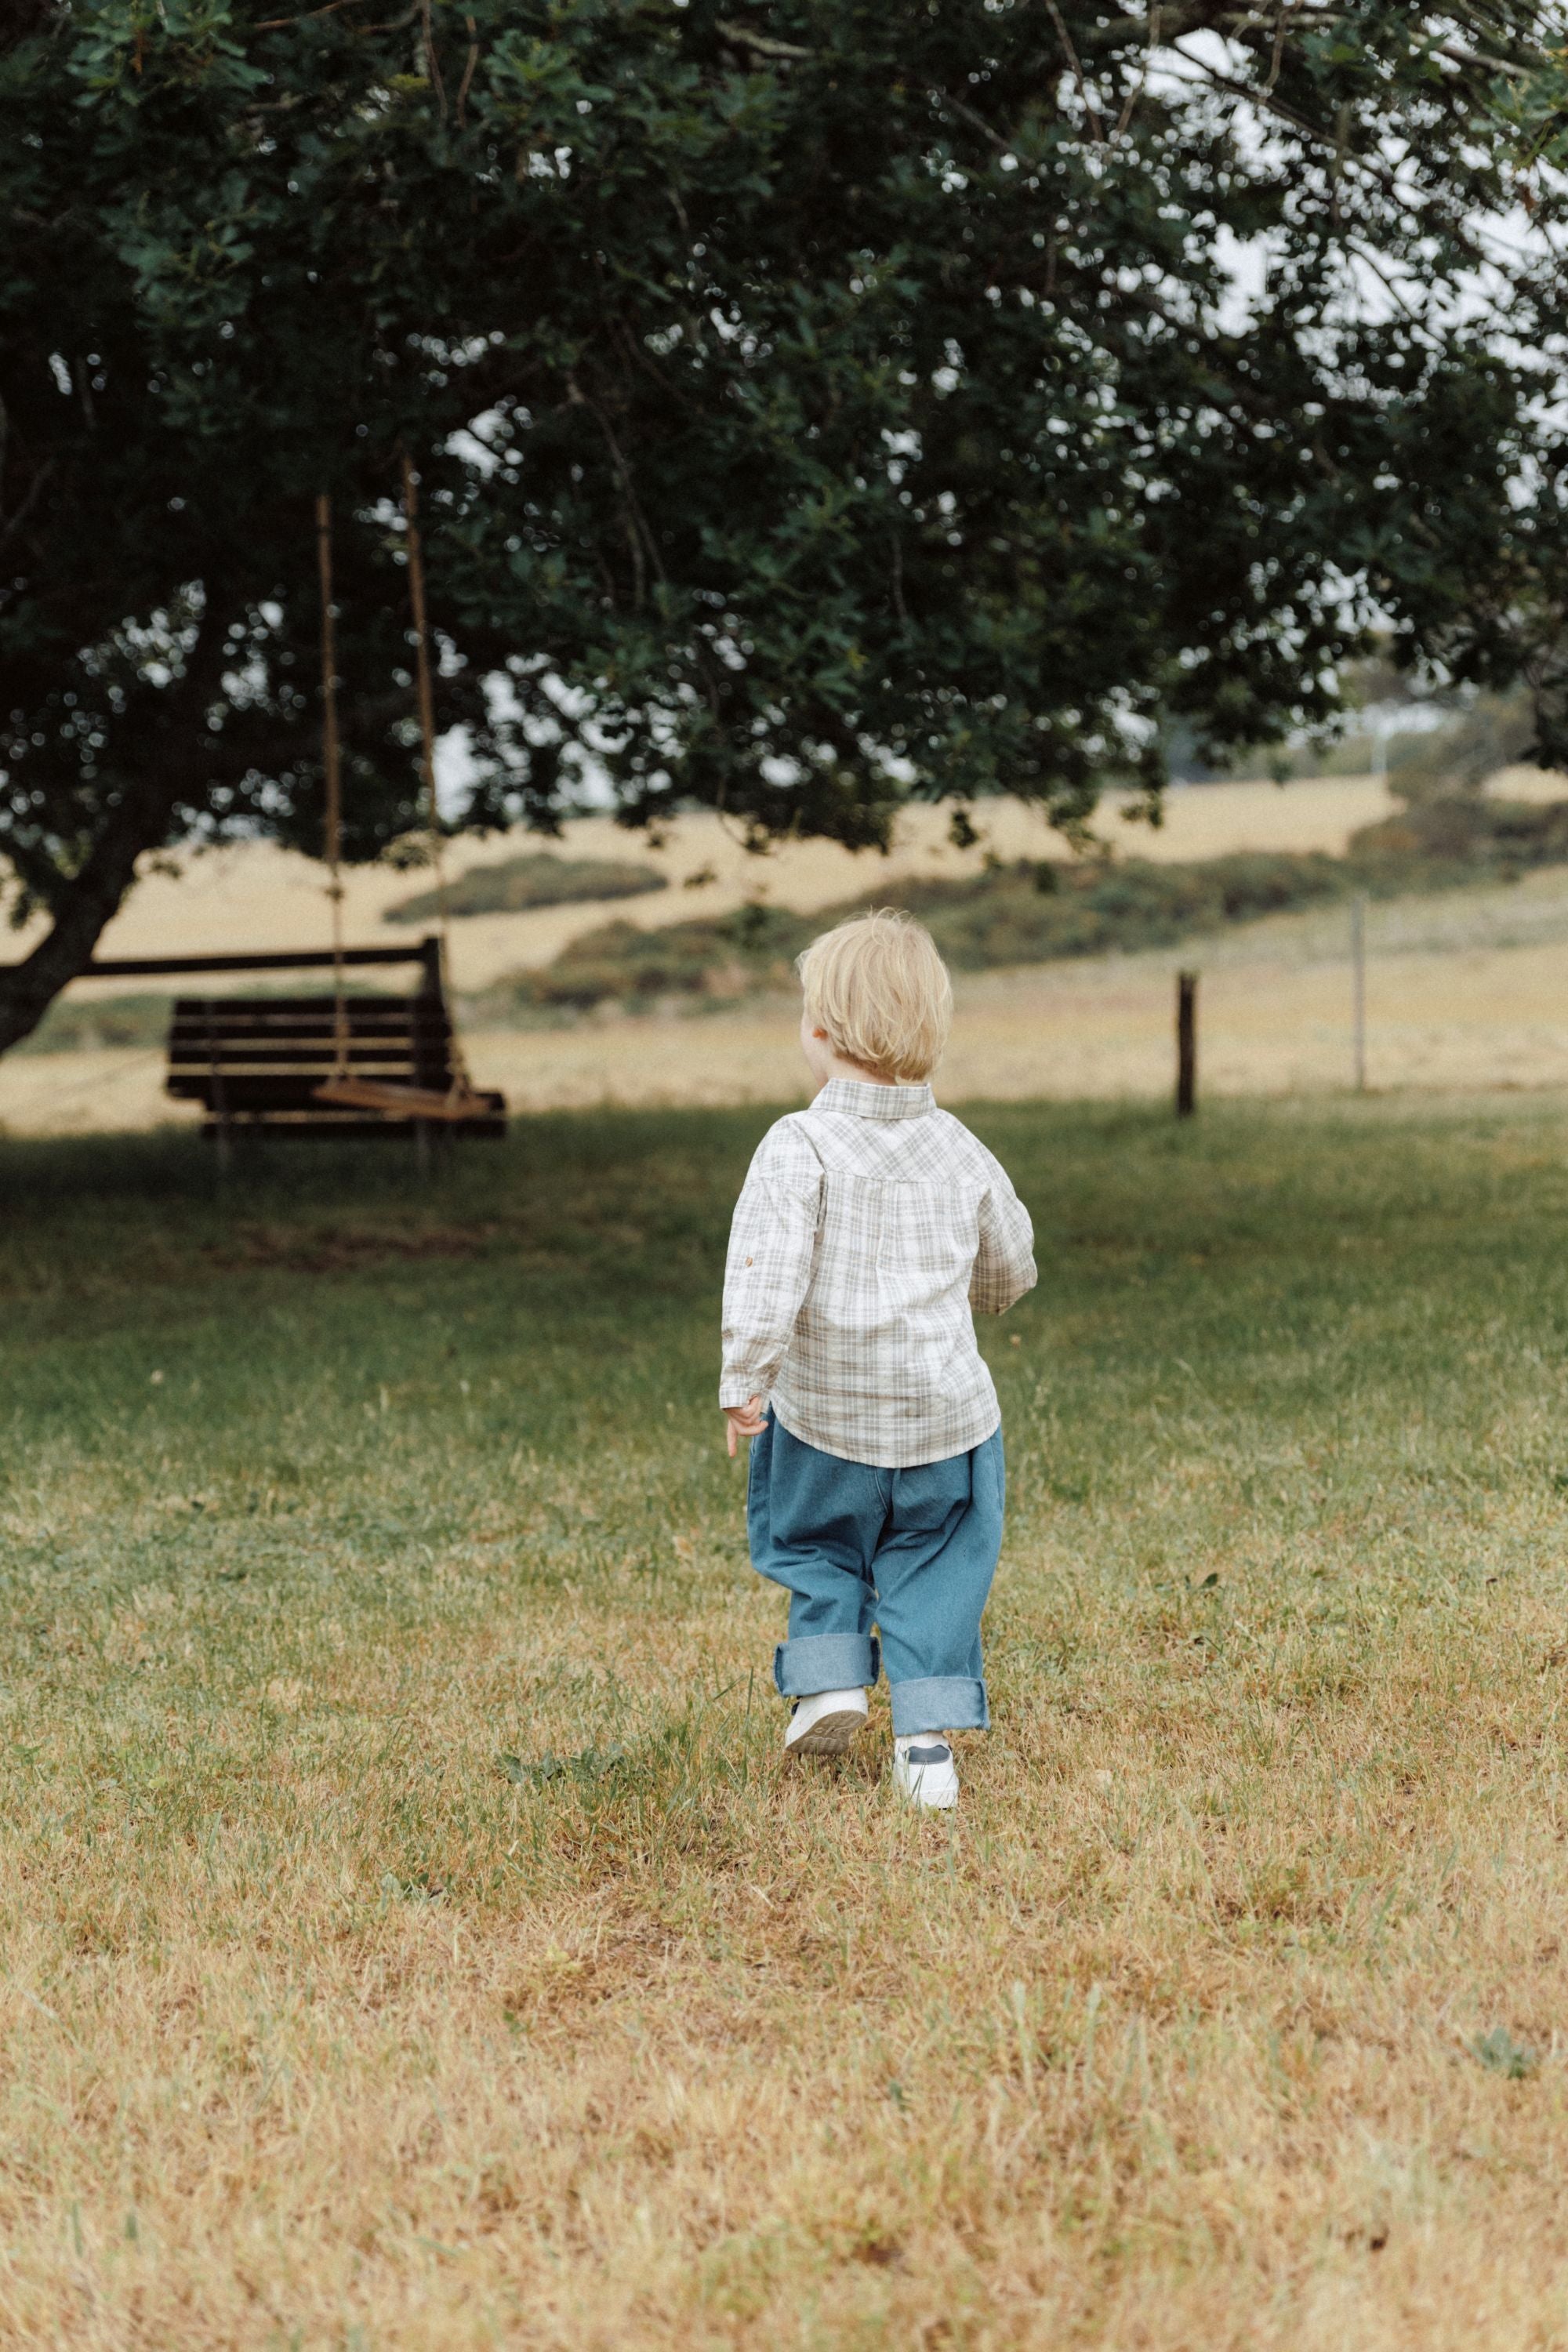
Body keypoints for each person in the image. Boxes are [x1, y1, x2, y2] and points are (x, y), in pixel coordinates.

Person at [720, 908, 1036, 1810]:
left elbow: (765, 1273)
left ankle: (828, 1683)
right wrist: (975, 1295)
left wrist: (745, 1380)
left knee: (817, 1545)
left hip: (826, 1423)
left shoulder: (799, 1144)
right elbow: (1009, 1268)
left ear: (820, 1033)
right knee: (935, 1566)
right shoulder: (959, 1146)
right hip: (945, 1425)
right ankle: (925, 1748)